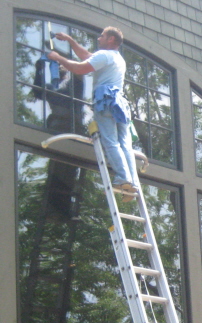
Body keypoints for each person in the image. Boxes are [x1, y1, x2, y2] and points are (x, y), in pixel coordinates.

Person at [47, 27, 139, 200]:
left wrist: (58, 58)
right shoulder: (117, 58)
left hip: (106, 100)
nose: (99, 39)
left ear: (111, 39)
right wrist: (70, 41)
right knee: (125, 145)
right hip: (120, 104)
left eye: (102, 36)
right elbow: (87, 57)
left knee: (111, 141)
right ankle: (131, 182)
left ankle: (123, 178)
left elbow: (81, 68)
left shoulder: (104, 55)